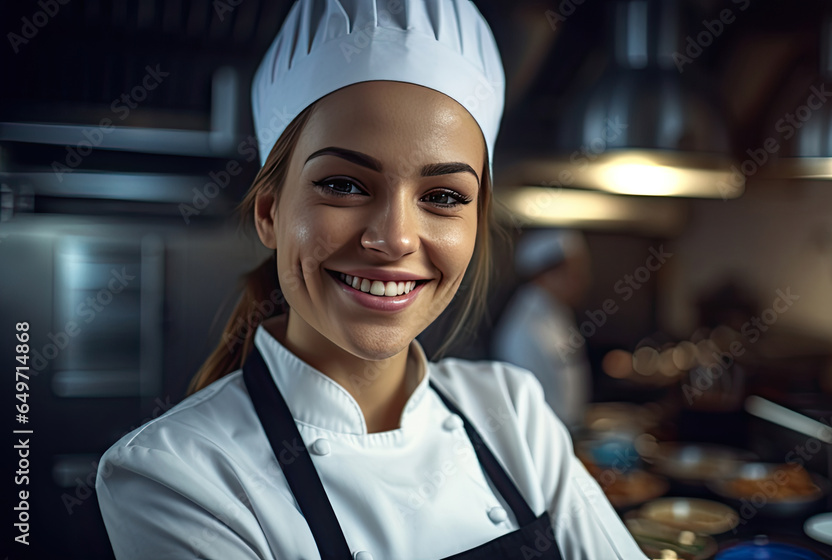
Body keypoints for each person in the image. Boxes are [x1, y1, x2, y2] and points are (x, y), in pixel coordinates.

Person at [94, 1, 646, 559]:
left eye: (443, 197)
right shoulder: (177, 476)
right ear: (268, 213)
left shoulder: (513, 415)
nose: (396, 238)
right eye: (343, 185)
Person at [493, 229, 593, 430]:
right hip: (543, 434)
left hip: (566, 430)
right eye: (574, 272)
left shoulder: (557, 313)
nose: (582, 280)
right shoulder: (524, 327)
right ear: (545, 274)